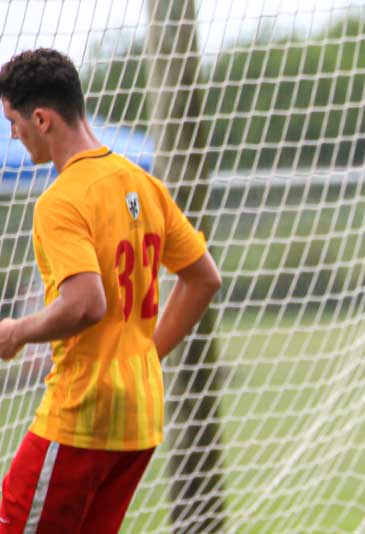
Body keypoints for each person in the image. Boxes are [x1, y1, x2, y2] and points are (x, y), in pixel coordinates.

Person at [0, 48, 222, 533]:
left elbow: (85, 305)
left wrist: (17, 330)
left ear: (41, 118)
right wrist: (146, 354)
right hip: (137, 422)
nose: (13, 133)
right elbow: (204, 278)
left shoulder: (61, 201)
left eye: (13, 121)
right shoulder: (143, 183)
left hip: (82, 415)